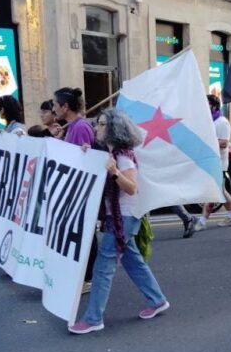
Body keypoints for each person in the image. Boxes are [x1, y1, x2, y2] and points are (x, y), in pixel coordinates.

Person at [69, 109, 170, 334]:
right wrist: (87, 154)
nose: (96, 128)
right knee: (132, 260)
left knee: (103, 267)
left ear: (114, 129)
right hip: (119, 215)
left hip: (123, 215)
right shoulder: (108, 152)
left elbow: (131, 188)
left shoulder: (123, 156)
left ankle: (94, 318)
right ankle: (157, 299)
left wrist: (114, 172)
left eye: (102, 124)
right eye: (98, 124)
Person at [53, 87, 97, 292]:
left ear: (65, 106)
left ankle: (88, 277)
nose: (53, 109)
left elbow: (83, 162)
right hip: (71, 190)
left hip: (79, 191)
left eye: (55, 105)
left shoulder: (80, 128)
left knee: (85, 234)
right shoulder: (72, 127)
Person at [196, 95, 231, 230]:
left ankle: (202, 221)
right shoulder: (208, 121)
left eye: (206, 104)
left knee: (213, 190)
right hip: (208, 162)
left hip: (218, 163)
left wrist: (206, 142)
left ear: (213, 106)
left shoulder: (222, 122)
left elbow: (224, 143)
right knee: (220, 191)